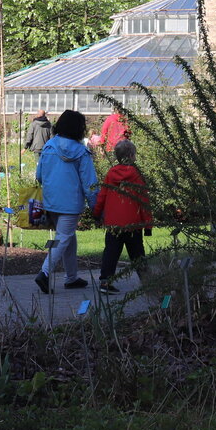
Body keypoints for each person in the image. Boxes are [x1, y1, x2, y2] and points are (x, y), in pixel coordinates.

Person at [33, 109, 98, 294]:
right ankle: (44, 273)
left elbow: (39, 175)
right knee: (63, 238)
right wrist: (96, 207)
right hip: (71, 203)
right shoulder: (82, 152)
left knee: (68, 238)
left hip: (51, 201)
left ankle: (71, 277)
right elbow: (90, 184)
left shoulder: (49, 146)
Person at [93, 139, 152, 294]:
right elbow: (144, 200)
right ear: (132, 156)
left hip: (114, 223)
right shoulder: (136, 174)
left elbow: (102, 195)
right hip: (133, 223)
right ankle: (148, 282)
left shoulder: (111, 173)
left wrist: (97, 213)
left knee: (111, 253)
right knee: (137, 254)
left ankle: (105, 281)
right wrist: (148, 225)